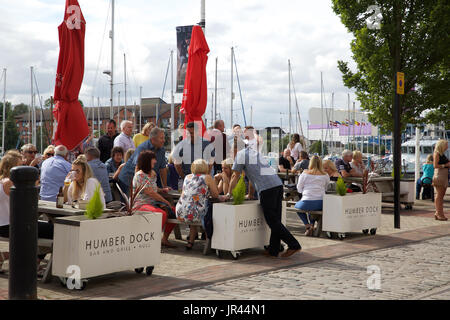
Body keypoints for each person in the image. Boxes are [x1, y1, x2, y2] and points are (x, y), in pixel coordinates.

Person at [228, 144, 301, 258]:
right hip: (277, 184)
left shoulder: (241, 155)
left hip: (267, 189)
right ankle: (273, 249)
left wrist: (228, 194)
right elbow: (253, 177)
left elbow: (234, 176)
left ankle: (294, 244)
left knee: (272, 221)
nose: (231, 152)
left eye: (231, 149)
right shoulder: (255, 153)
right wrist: (251, 194)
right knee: (275, 220)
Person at [0, 151, 54, 272]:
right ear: (13, 167)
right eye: (21, 165)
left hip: (3, 225)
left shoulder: (2, 181)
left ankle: (33, 261)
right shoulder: (10, 183)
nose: (23, 168)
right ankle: (34, 261)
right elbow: (29, 201)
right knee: (56, 231)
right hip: (11, 226)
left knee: (43, 229)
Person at [176, 159, 226, 250]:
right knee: (208, 214)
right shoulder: (207, 177)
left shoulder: (187, 177)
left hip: (181, 212)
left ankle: (190, 242)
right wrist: (221, 180)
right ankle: (209, 241)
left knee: (194, 207)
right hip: (196, 213)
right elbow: (215, 195)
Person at [133, 150, 176, 248]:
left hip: (152, 203)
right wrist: (165, 201)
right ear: (147, 161)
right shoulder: (140, 175)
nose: (155, 161)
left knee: (174, 212)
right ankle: (154, 242)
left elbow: (154, 189)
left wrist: (162, 190)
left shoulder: (151, 173)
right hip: (141, 204)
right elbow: (150, 192)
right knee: (162, 214)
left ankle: (164, 239)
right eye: (153, 159)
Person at [118, 127, 168, 195]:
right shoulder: (143, 148)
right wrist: (137, 187)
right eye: (161, 138)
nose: (164, 140)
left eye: (164, 138)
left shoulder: (161, 150)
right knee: (131, 204)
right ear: (153, 139)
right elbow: (138, 168)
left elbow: (163, 168)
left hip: (143, 182)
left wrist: (165, 186)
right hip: (128, 179)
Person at [294, 156, 330, 236]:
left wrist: (305, 192)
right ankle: (312, 225)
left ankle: (307, 225)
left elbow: (299, 189)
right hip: (321, 202)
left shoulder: (305, 173)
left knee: (296, 207)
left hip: (307, 201)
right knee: (312, 209)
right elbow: (326, 188)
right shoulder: (325, 174)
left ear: (310, 163)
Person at [432, 139, 449, 221]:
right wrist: (445, 165)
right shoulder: (437, 153)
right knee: (439, 195)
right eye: (446, 145)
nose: (447, 146)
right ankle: (439, 213)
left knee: (440, 195)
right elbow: (435, 165)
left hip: (443, 175)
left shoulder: (442, 154)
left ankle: (438, 212)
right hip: (440, 175)